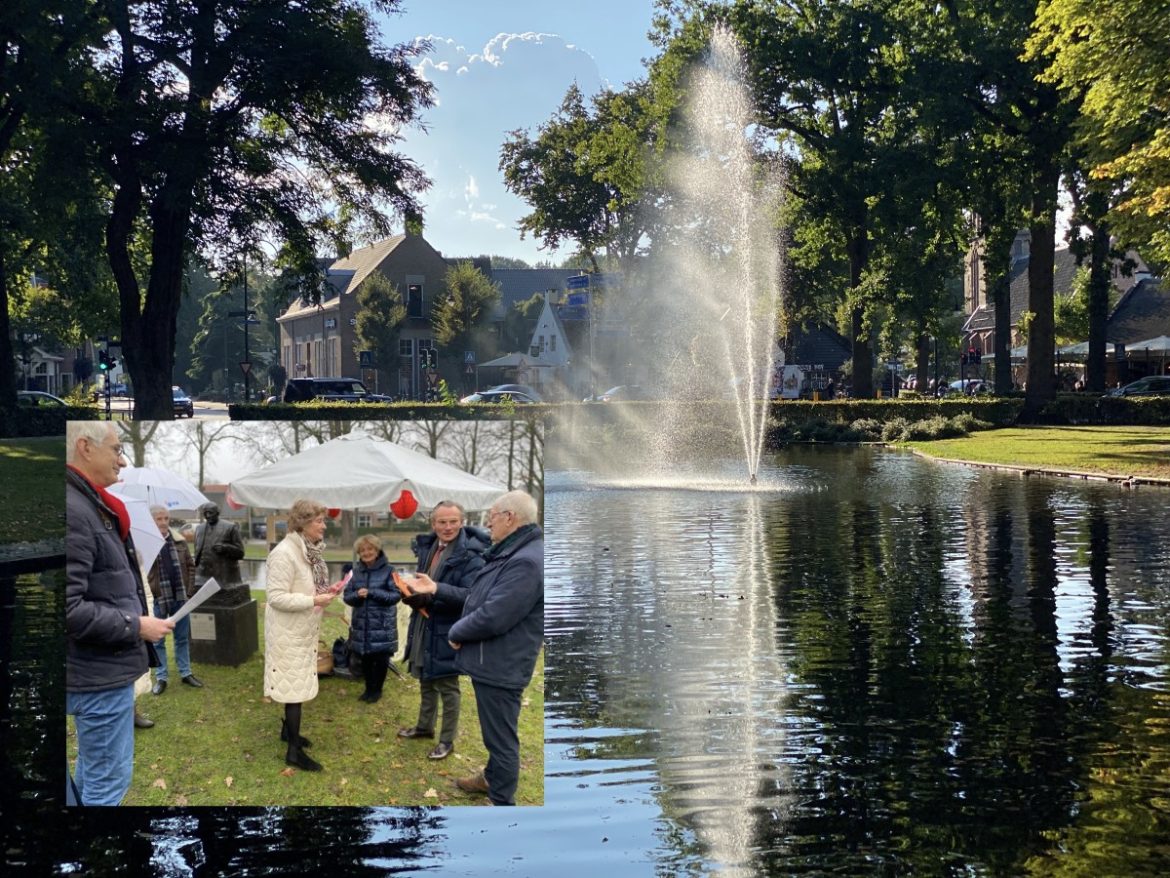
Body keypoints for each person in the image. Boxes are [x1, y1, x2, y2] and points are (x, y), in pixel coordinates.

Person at [410, 490, 543, 804]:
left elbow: (495, 614)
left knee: (500, 739)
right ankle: (490, 778)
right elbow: (482, 595)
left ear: (510, 518)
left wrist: (458, 630)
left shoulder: (525, 561)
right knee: (495, 733)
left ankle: (501, 801)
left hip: (503, 662)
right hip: (494, 659)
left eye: (493, 516)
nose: (488, 522)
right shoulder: (512, 551)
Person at [66, 421, 174, 804]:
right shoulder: (76, 511)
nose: (123, 460)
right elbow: (69, 609)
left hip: (95, 670)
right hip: (97, 675)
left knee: (87, 779)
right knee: (106, 787)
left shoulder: (89, 505)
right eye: (116, 449)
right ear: (85, 447)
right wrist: (136, 625)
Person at [397, 501, 490, 761]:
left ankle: (446, 741)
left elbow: (471, 596)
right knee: (426, 679)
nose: (447, 527)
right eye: (442, 522)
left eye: (453, 521)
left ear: (462, 522)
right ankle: (425, 727)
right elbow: (426, 585)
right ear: (433, 523)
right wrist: (413, 595)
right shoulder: (430, 547)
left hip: (449, 628)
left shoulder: (472, 555)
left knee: (448, 687)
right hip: (426, 622)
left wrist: (434, 591)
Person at [263, 499, 339, 771]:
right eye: (319, 521)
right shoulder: (284, 553)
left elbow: (306, 586)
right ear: (304, 523)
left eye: (323, 520)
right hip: (288, 633)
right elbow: (276, 598)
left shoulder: (309, 552)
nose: (324, 526)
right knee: (294, 690)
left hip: (302, 630)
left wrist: (323, 593)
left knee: (296, 684)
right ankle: (293, 752)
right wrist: (314, 600)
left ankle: (288, 733)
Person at [147, 506, 203, 695]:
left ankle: (186, 673)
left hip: (180, 597)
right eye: (158, 519)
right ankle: (161, 677)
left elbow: (191, 566)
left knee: (181, 638)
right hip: (159, 598)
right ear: (152, 521)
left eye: (166, 518)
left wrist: (189, 592)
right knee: (158, 641)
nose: (163, 522)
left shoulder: (179, 541)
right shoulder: (145, 543)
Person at [342, 535, 400, 703]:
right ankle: (368, 689)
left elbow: (395, 595)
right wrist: (357, 595)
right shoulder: (356, 571)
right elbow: (347, 597)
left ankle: (377, 691)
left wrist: (372, 592)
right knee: (365, 657)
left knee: (381, 658)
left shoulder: (390, 570)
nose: (366, 553)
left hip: (382, 623)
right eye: (362, 550)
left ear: (377, 550)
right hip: (362, 623)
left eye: (370, 549)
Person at [193, 501, 245, 588]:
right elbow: (197, 552)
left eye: (210, 513)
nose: (208, 515)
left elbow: (241, 553)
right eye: (205, 513)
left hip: (224, 577)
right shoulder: (199, 529)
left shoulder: (230, 527)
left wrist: (226, 548)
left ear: (217, 513)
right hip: (202, 577)